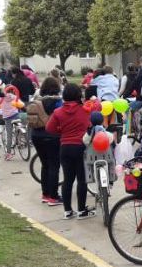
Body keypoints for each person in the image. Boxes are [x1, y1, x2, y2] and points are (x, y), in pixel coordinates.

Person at [46, 83, 95, 219]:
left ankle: (68, 211)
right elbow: (92, 120)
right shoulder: (85, 110)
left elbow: (49, 129)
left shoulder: (58, 112)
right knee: (82, 180)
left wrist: (62, 131)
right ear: (79, 95)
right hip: (81, 146)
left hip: (65, 147)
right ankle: (81, 210)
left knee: (68, 180)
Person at [27, 76, 63, 205]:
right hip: (52, 135)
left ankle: (45, 194)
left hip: (36, 135)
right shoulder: (58, 102)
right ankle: (54, 196)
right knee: (54, 166)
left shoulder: (37, 101)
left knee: (45, 165)